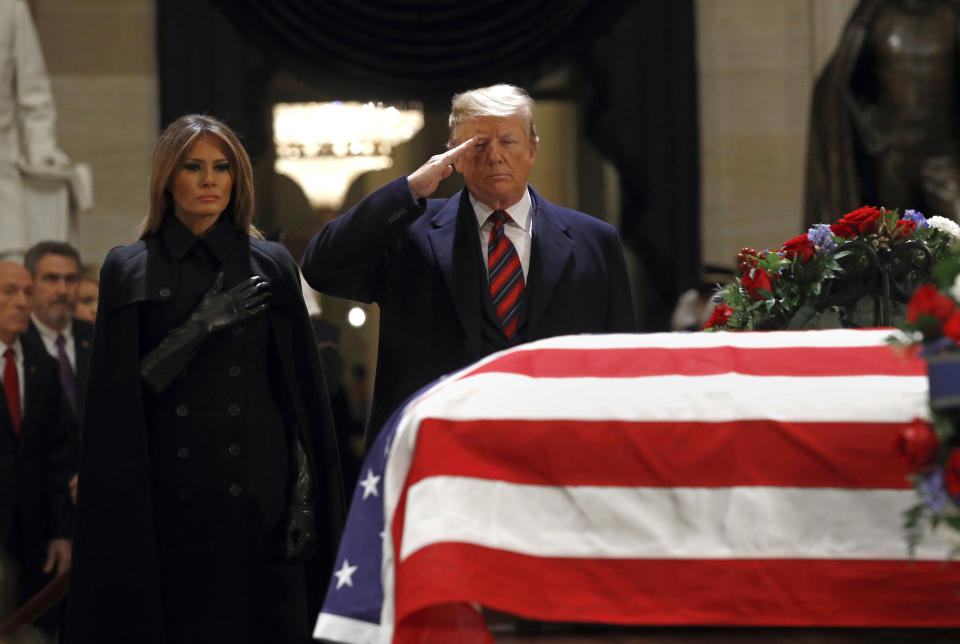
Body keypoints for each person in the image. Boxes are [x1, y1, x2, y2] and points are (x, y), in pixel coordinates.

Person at [65, 115, 345, 644]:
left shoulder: (272, 263)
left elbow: (300, 397)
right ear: (168, 177)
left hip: (261, 501)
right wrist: (199, 326)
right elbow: (121, 398)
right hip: (169, 506)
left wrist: (303, 496)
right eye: (194, 167)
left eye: (222, 168)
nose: (210, 179)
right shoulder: (129, 267)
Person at [302, 84, 638, 449]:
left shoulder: (594, 241)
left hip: (561, 451)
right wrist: (410, 189)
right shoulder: (407, 232)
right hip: (436, 454)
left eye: (507, 142)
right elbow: (322, 267)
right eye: (478, 144)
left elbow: (621, 362)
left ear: (532, 150)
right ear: (454, 156)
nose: (494, 157)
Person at [805, 0, 960, 228]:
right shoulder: (874, 16)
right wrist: (870, 132)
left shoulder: (951, 15)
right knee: (892, 241)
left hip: (942, 153)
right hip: (891, 155)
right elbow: (841, 84)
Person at [0, 261, 73, 640]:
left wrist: (62, 531)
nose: (21, 302)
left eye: (28, 292)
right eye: (9, 292)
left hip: (32, 540)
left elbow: (59, 456)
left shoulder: (40, 365)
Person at [0, 1, 72, 261]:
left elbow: (35, 94)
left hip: (2, 185)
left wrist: (42, 149)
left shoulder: (9, 8)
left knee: (12, 283)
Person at [21, 241, 93, 423]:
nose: (63, 290)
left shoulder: (97, 338)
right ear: (31, 285)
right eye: (51, 279)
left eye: (70, 279)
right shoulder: (16, 340)